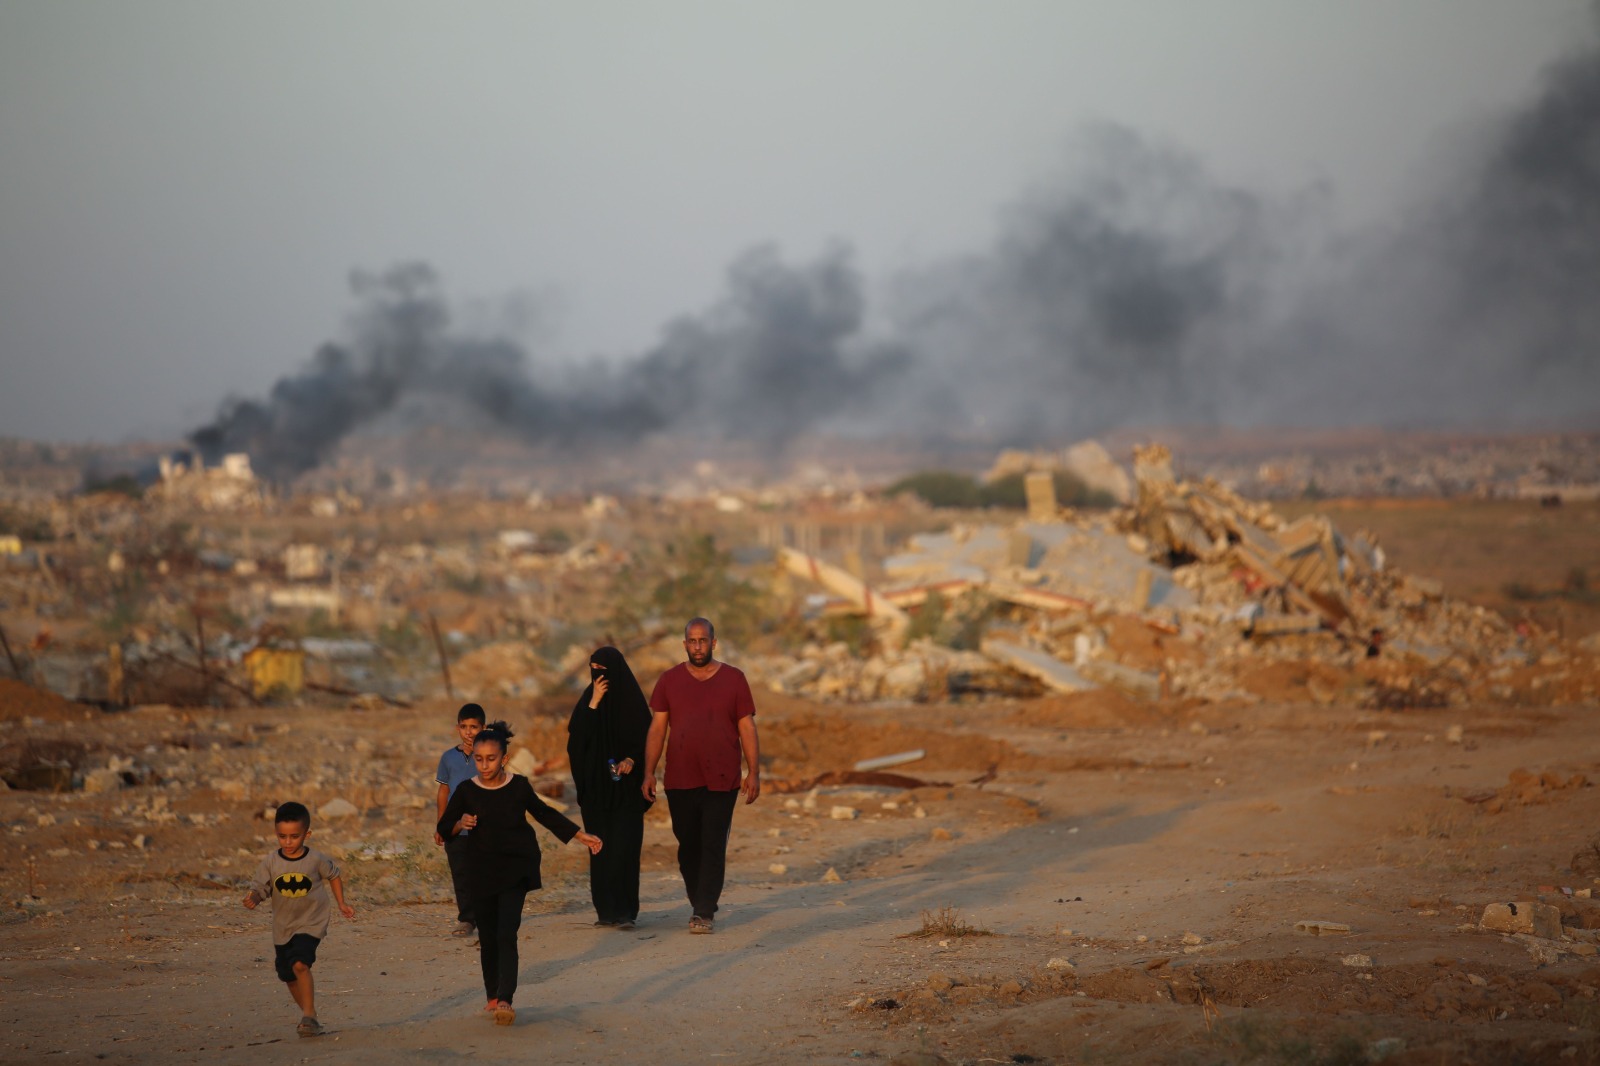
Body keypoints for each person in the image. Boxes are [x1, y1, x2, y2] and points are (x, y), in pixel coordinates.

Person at [438, 720, 602, 1026]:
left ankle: (506, 999)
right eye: (479, 759)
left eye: (491, 759)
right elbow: (444, 827)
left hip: (516, 869)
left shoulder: (519, 786)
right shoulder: (466, 791)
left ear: (505, 758)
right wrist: (461, 823)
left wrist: (580, 835)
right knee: (488, 937)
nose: (484, 765)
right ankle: (492, 996)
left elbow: (545, 814)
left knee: (506, 934)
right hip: (481, 871)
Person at [642, 617, 760, 935]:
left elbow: (747, 726)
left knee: (712, 843)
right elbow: (657, 728)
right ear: (685, 644)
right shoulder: (669, 680)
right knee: (687, 845)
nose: (697, 647)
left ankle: (703, 910)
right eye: (692, 641)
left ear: (713, 643)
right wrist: (648, 772)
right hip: (680, 777)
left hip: (723, 777)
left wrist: (753, 772)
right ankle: (700, 899)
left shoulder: (734, 679)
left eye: (703, 640)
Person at [242, 801, 356, 1038]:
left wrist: (342, 903)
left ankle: (309, 1015)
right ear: (276, 834)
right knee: (288, 974)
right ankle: (309, 1013)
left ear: (307, 834)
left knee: (300, 964)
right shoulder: (271, 862)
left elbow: (334, 876)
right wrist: (253, 898)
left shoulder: (315, 859)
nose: (288, 842)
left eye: (294, 837)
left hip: (312, 921)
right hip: (283, 926)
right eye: (282, 836)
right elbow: (261, 887)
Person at [566, 646, 653, 929]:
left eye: (602, 670)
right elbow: (577, 742)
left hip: (627, 790)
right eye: (593, 669)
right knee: (600, 848)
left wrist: (631, 760)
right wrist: (594, 703)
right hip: (596, 790)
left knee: (625, 848)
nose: (598, 675)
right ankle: (605, 911)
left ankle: (626, 912)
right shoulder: (587, 700)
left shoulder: (633, 703)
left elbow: (647, 741)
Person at [434, 702, 485, 938]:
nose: (468, 732)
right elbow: (443, 791)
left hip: (483, 827)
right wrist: (441, 825)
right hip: (456, 828)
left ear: (483, 728)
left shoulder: (488, 756)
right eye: (464, 727)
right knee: (461, 874)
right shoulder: (448, 758)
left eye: (474, 727)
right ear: (457, 728)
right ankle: (467, 919)